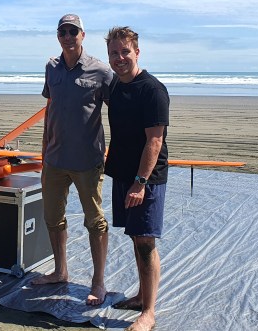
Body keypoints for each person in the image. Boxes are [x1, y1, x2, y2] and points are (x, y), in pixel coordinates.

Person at [32, 14, 115, 306]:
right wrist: (44, 151)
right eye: (62, 32)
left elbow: (118, 112)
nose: (67, 36)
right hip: (54, 160)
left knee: (95, 222)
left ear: (82, 35)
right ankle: (60, 271)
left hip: (87, 162)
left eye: (73, 31)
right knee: (53, 219)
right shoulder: (51, 68)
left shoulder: (101, 71)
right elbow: (50, 110)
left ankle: (98, 282)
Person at [104, 26, 169, 331]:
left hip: (146, 180)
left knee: (146, 242)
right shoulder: (115, 87)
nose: (119, 58)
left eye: (125, 51)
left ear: (137, 52)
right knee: (135, 235)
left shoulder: (152, 90)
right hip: (122, 173)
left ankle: (149, 312)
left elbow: (154, 141)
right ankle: (141, 296)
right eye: (114, 53)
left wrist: (140, 183)